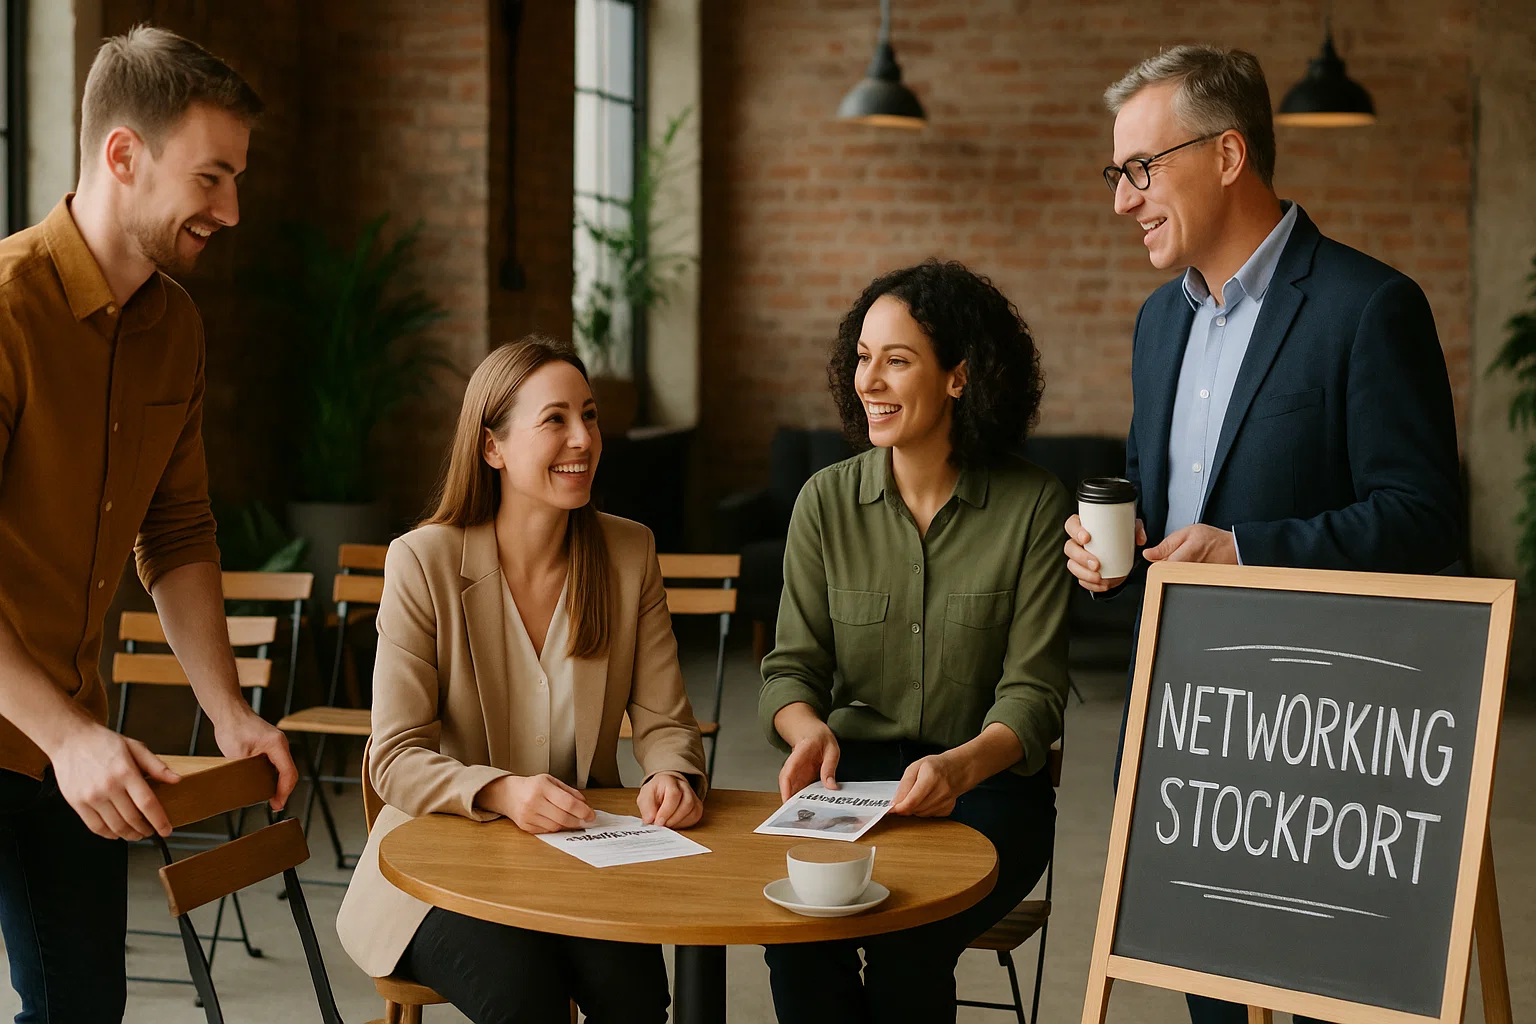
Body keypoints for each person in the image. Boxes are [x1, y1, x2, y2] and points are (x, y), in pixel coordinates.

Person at [1062, 46, 1462, 1024]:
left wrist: (1245, 550)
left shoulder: (1370, 308)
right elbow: (1160, 508)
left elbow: (1425, 518)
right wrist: (1109, 547)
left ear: (1229, 154)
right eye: (1119, 174)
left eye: (1141, 169)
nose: (1124, 201)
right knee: (1212, 1003)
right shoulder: (1159, 323)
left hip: (1326, 755)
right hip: (1189, 739)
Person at [0, 26, 297, 1021]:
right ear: (123, 155)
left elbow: (177, 532)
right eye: (212, 177)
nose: (232, 210)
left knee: (82, 1010)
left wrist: (227, 707)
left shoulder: (178, 329)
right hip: (54, 730)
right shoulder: (4, 309)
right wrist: (72, 737)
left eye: (237, 179)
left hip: (64, 744)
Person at [336, 337, 709, 1024]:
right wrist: (502, 791)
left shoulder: (629, 554)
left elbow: (666, 722)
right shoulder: (423, 562)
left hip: (584, 855)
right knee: (522, 994)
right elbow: (394, 759)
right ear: (492, 448)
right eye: (556, 419)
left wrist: (672, 777)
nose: (583, 438)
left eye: (591, 416)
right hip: (438, 863)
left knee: (635, 998)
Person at [759, 261, 1070, 1024]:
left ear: (959, 378)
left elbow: (1034, 696)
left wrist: (960, 768)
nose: (870, 380)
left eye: (897, 360)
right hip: (852, 792)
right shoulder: (825, 503)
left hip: (989, 793)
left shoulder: (1034, 508)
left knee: (910, 941)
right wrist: (805, 730)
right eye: (863, 357)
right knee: (797, 939)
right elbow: (790, 669)